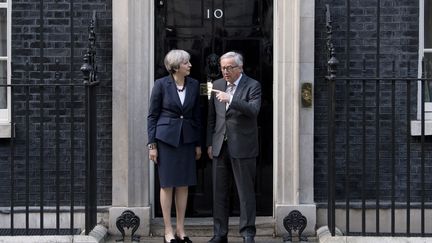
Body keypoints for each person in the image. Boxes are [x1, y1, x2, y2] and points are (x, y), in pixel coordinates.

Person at [206, 51, 261, 243]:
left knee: (245, 193)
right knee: (219, 193)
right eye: (223, 68)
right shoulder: (218, 84)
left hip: (243, 147)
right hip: (220, 146)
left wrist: (231, 100)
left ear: (240, 68)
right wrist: (210, 143)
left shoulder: (252, 85)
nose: (225, 72)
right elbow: (212, 118)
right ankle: (220, 234)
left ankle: (247, 234)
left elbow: (254, 110)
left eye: (229, 68)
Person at [148, 49, 202, 243]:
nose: (190, 65)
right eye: (186, 62)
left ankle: (181, 229)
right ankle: (168, 230)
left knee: (183, 184)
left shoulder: (194, 85)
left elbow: (196, 116)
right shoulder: (161, 84)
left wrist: (197, 143)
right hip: (166, 140)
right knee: (167, 184)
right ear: (176, 66)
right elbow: (152, 115)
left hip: (187, 140)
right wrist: (151, 145)